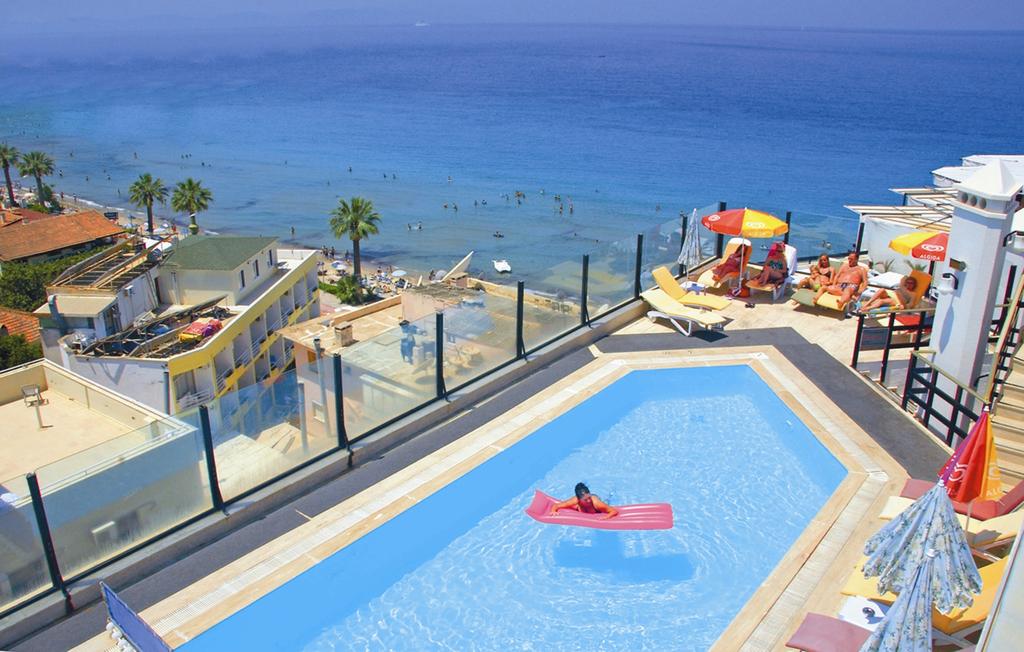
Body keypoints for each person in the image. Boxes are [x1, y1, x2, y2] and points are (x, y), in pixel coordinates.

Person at [550, 482, 618, 519]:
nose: (589, 501)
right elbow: (557, 505)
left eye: (589, 497)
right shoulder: (575, 500)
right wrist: (553, 511)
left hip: (597, 505)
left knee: (607, 501)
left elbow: (614, 511)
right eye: (585, 500)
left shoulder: (596, 503)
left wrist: (606, 517)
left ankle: (611, 494)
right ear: (579, 499)